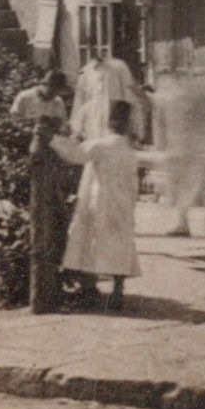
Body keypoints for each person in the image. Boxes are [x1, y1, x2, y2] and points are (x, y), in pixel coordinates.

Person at [50, 99, 160, 311]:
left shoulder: (101, 144)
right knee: (120, 242)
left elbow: (74, 155)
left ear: (110, 122)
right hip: (123, 202)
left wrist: (53, 139)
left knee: (93, 240)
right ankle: (118, 289)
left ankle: (88, 287)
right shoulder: (127, 148)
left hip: (102, 200)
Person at [8, 70, 76, 309]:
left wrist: (59, 132)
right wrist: (31, 129)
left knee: (48, 214)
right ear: (43, 84)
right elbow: (13, 125)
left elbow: (64, 128)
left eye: (57, 91)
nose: (53, 94)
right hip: (27, 153)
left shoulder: (57, 103)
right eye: (50, 89)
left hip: (49, 156)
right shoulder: (25, 97)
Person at [150, 70, 205, 238]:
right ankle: (182, 222)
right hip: (184, 148)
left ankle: (182, 222)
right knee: (180, 187)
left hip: (184, 149)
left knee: (181, 186)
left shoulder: (177, 97)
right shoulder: (188, 97)